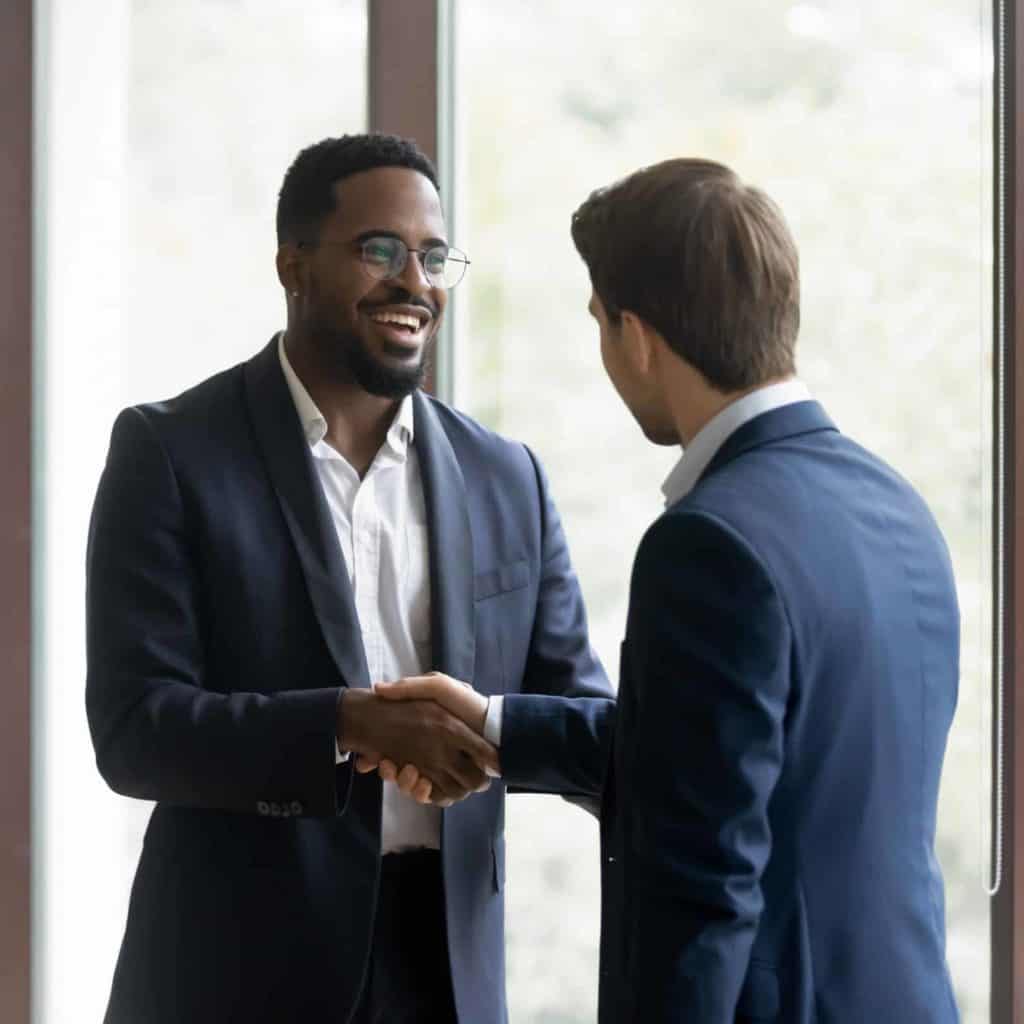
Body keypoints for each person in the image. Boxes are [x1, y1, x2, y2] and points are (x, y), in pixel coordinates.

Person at [376, 158, 961, 1022]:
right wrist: (497, 725)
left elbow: (704, 887)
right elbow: (734, 762)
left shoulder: (708, 543)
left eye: (600, 326)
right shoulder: (897, 506)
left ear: (637, 335)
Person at [85, 132, 613, 1024]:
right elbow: (135, 732)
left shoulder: (506, 477)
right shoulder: (169, 452)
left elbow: (589, 722)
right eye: (381, 251)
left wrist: (487, 731)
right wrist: (341, 723)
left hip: (445, 973)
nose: (416, 281)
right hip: (233, 974)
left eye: (435, 255)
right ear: (293, 265)